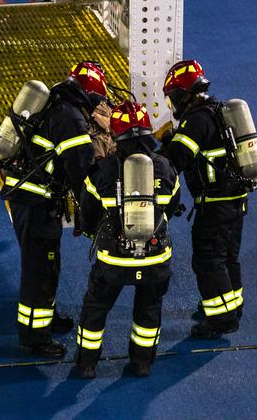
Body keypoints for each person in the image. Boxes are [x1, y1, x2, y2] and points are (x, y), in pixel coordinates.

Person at [0, 61, 107, 357]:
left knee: (47, 264)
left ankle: (46, 316)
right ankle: (36, 338)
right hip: (37, 204)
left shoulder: (56, 105)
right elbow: (80, 167)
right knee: (39, 270)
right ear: (89, 95)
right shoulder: (70, 118)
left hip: (30, 199)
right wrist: (93, 210)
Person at [74, 101, 180, 378]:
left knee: (96, 307)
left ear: (115, 136)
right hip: (156, 258)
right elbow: (173, 205)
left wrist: (89, 232)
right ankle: (142, 362)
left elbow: (87, 212)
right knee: (148, 310)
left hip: (113, 259)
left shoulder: (103, 171)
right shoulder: (166, 168)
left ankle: (87, 364)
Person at [160, 59, 257, 339]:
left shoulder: (197, 120)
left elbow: (176, 160)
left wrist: (159, 150)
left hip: (215, 205)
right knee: (228, 257)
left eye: (171, 99)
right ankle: (232, 307)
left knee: (207, 261)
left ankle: (221, 319)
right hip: (235, 200)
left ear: (181, 94)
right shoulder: (217, 110)